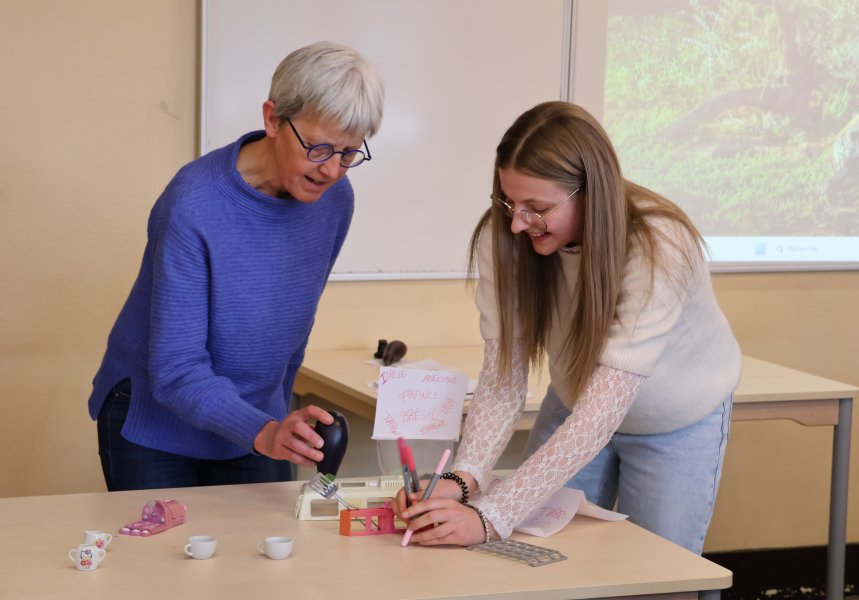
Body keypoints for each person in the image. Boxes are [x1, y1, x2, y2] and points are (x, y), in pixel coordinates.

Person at [394, 101, 741, 554]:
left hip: (672, 421)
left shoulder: (659, 246)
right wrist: (461, 480)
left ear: (590, 192)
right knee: (543, 560)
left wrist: (491, 515)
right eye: (508, 201)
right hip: (575, 404)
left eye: (536, 207)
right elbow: (502, 383)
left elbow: (602, 412)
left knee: (658, 577)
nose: (518, 222)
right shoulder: (503, 237)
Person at [88, 42, 385, 491]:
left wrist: (274, 422)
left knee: (265, 556)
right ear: (272, 119)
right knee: (164, 559)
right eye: (319, 148)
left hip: (257, 419)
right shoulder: (194, 204)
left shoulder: (335, 201)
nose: (331, 171)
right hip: (156, 421)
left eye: (348, 154)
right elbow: (175, 370)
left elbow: (293, 327)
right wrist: (264, 432)